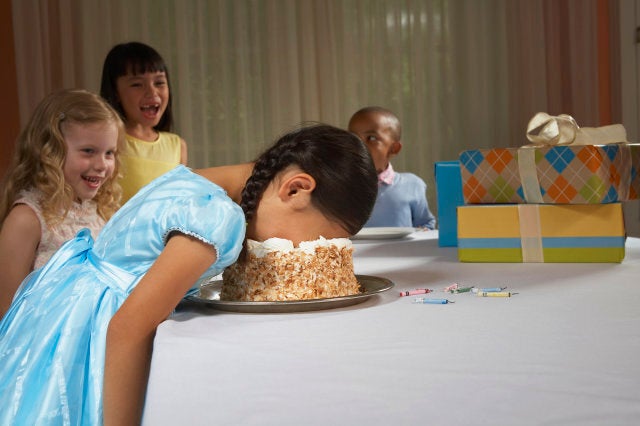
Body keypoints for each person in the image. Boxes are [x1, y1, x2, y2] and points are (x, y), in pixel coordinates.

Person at [0, 123, 377, 425]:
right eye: (317, 238)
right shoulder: (218, 219)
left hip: (60, 307)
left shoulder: (193, 178)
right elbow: (126, 328)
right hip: (92, 331)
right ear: (296, 190)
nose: (301, 251)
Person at [0, 89, 124, 318]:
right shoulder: (27, 220)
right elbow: (6, 309)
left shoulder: (101, 211)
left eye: (109, 153)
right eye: (88, 151)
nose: (102, 165)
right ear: (50, 151)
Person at [100, 41, 188, 203]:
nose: (152, 92)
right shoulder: (106, 143)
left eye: (159, 82)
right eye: (137, 84)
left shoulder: (177, 146)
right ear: (115, 92)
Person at [348, 106, 436, 230]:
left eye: (371, 138)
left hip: (402, 249)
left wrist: (423, 231)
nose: (359, 145)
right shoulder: (339, 185)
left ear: (394, 149)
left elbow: (426, 226)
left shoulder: (412, 185)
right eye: (353, 138)